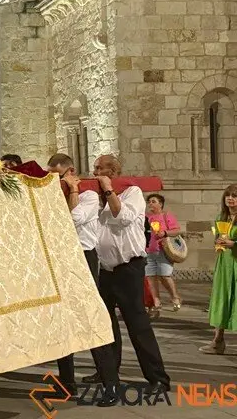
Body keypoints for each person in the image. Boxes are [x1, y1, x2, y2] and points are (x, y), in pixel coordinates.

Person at [86, 155, 171, 393]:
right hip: (105, 268)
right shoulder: (96, 198)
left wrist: (109, 191)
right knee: (106, 323)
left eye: (100, 168)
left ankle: (158, 379)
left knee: (137, 324)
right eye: (94, 168)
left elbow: (121, 218)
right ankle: (108, 371)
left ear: (112, 171)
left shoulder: (131, 192)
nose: (95, 172)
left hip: (129, 267)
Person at [46, 154, 118, 406]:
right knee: (62, 319)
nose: (54, 181)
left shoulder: (88, 195)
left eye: (58, 175)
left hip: (85, 258)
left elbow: (72, 219)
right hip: (61, 258)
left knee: (91, 319)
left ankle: (111, 385)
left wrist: (74, 189)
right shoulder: (54, 195)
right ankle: (67, 384)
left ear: (71, 172)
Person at [200, 184, 237, 354]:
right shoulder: (221, 217)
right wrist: (218, 243)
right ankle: (217, 341)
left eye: (235, 196)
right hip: (224, 263)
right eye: (228, 196)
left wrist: (233, 244)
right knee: (221, 298)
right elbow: (217, 237)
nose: (230, 199)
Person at [144, 194, 182, 317]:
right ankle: (156, 301)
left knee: (165, 275)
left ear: (160, 204)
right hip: (148, 250)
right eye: (149, 202)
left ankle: (175, 297)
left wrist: (165, 232)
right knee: (151, 277)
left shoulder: (166, 216)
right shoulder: (146, 217)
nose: (150, 204)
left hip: (163, 250)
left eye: (153, 201)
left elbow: (176, 230)